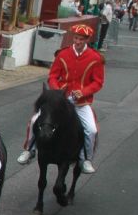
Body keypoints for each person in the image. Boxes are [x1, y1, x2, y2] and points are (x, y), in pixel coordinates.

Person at [19, 23, 104, 174]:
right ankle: (29, 149)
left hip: (80, 103)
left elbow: (98, 82)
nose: (77, 42)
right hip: (59, 101)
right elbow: (53, 76)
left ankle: (86, 159)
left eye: (81, 39)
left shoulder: (95, 58)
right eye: (76, 38)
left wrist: (83, 92)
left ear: (87, 40)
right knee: (34, 121)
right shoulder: (63, 54)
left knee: (91, 130)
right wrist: (57, 91)